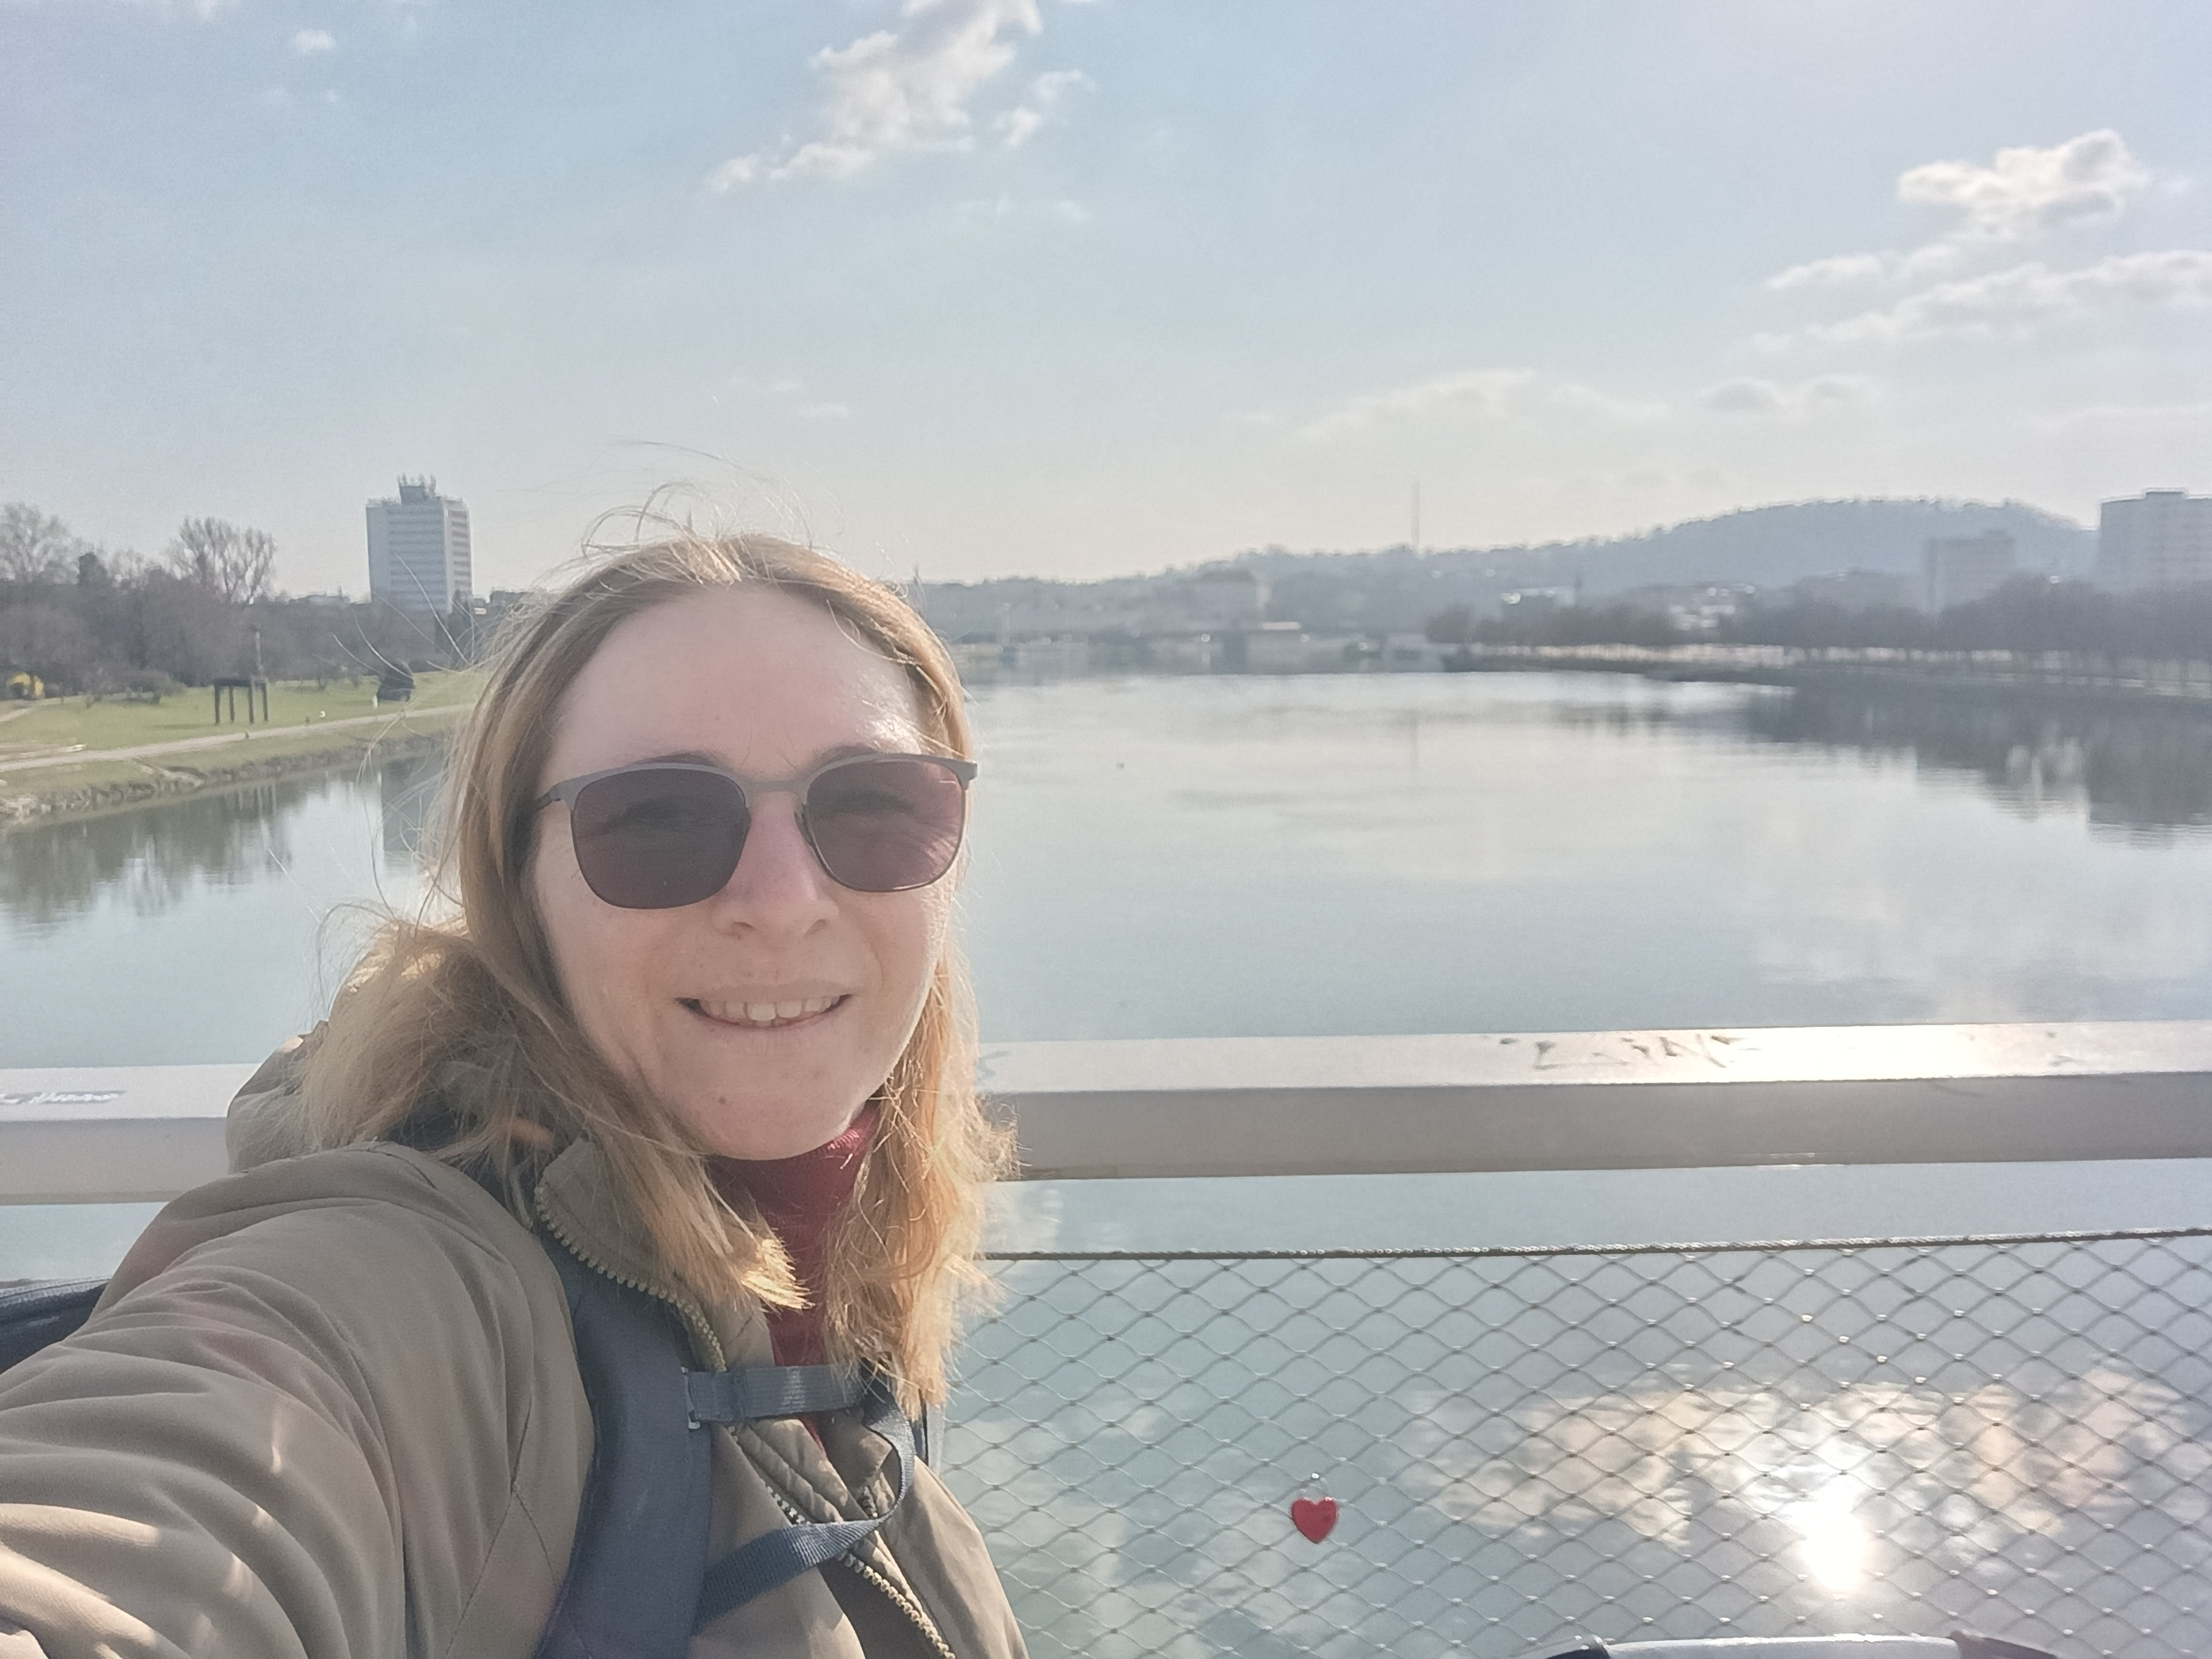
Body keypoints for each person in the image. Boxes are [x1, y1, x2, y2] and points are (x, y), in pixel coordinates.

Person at [0, 533, 1027, 1658]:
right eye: (658, 819)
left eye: (876, 805)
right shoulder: (407, 1288)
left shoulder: (839, 1287)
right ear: (517, 886)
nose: (782, 901)